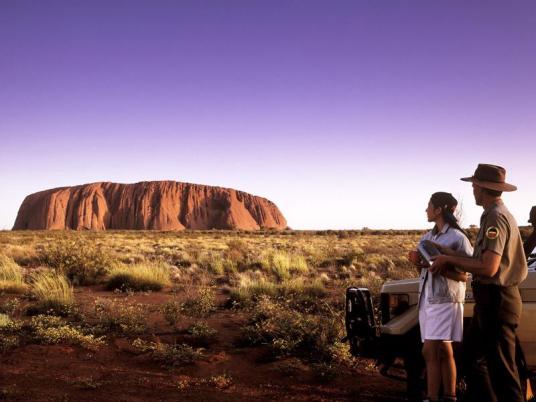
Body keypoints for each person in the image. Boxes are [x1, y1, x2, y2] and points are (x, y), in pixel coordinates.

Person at [430, 164, 528, 402]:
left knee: (502, 372)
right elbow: (481, 259)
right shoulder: (493, 214)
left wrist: (448, 260)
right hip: (491, 302)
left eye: (474, 185)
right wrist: (445, 252)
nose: (472, 190)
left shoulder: (495, 217)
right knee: (473, 359)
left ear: (483, 188)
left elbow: (489, 268)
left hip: (498, 301)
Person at [409, 192, 473, 402]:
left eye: (429, 206)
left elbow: (466, 275)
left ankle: (432, 397)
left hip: (445, 300)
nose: (426, 209)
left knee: (429, 351)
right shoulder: (428, 237)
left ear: (439, 210)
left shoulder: (458, 238)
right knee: (444, 350)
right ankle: (449, 396)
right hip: (428, 298)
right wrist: (418, 262)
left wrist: (442, 270)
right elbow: (427, 267)